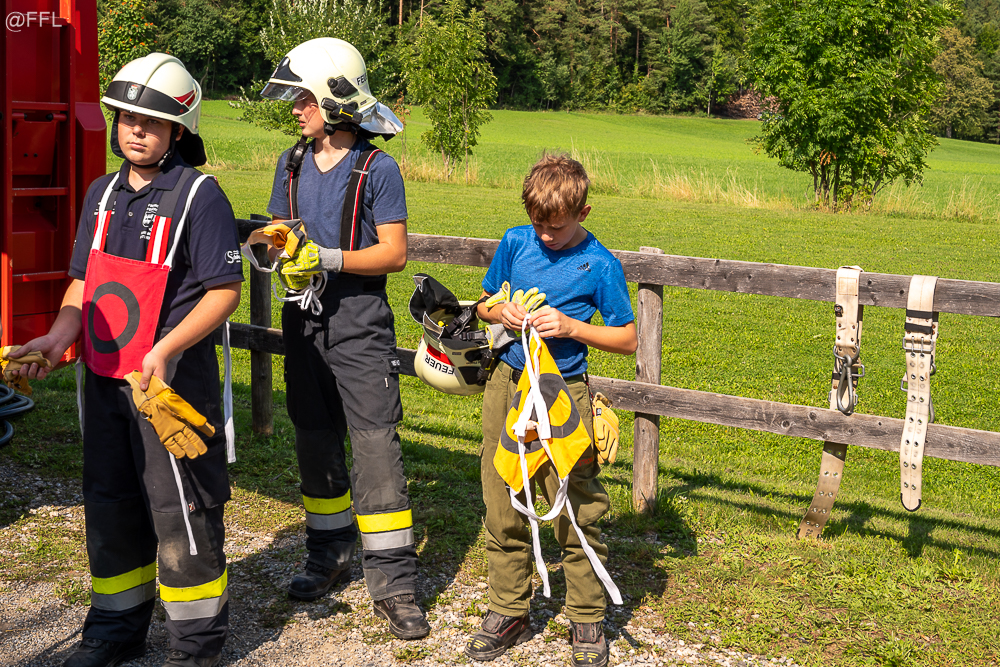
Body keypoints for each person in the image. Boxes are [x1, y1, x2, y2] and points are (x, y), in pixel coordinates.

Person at [9, 53, 242, 667]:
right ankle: (115, 629)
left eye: (153, 122)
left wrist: (165, 349)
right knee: (110, 503)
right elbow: (82, 283)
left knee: (181, 511)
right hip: (103, 382)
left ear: (179, 130)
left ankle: (194, 646)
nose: (137, 130)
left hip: (168, 386)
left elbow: (224, 291)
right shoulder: (102, 192)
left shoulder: (200, 196)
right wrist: (57, 337)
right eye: (128, 118)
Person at [259, 37, 430, 640]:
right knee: (313, 438)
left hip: (359, 326)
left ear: (335, 100)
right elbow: (280, 232)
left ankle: (394, 584)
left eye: (304, 98)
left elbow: (394, 253)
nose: (296, 109)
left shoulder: (377, 169)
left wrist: (328, 257)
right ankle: (327, 556)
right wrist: (277, 253)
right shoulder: (291, 163)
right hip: (303, 321)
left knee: (375, 448)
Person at [466, 154, 637, 667]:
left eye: (557, 227)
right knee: (502, 495)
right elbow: (483, 304)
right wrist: (500, 310)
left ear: (583, 212)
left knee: (573, 505)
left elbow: (628, 339)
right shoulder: (515, 241)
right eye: (538, 223)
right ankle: (508, 609)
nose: (545, 235)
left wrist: (571, 328)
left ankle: (585, 616)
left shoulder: (600, 264)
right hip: (507, 383)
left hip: (564, 390)